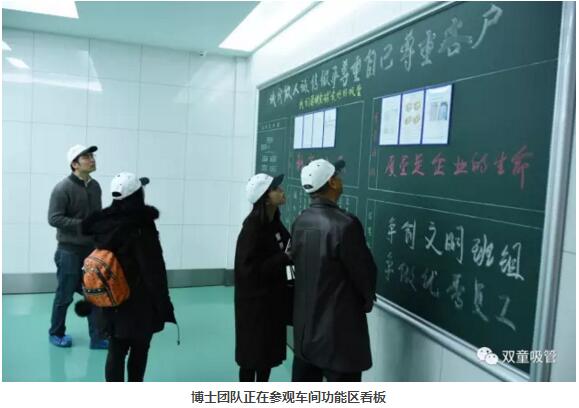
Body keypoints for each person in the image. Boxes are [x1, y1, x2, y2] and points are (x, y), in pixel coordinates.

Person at [79, 172, 178, 382]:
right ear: (137, 195)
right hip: (139, 302)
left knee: (116, 351)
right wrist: (163, 303)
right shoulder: (141, 226)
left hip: (110, 298)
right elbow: (153, 270)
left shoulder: (103, 224)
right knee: (139, 350)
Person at [290, 159, 377, 382]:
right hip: (339, 334)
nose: (341, 179)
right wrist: (367, 299)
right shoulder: (345, 225)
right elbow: (363, 272)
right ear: (332, 183)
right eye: (338, 175)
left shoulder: (300, 220)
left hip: (305, 331)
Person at [47, 144, 108, 349]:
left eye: (92, 156)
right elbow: (54, 218)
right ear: (74, 164)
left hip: (91, 251)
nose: (92, 159)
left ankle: (98, 338)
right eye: (87, 157)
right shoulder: (62, 188)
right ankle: (56, 333)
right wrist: (82, 224)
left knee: (95, 293)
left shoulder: (95, 186)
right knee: (64, 295)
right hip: (69, 251)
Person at [234, 173, 292, 382]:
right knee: (251, 357)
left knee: (266, 356)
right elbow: (246, 270)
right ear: (265, 198)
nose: (282, 191)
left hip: (272, 302)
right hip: (254, 306)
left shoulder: (275, 223)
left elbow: (287, 248)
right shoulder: (252, 228)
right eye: (275, 189)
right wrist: (282, 258)